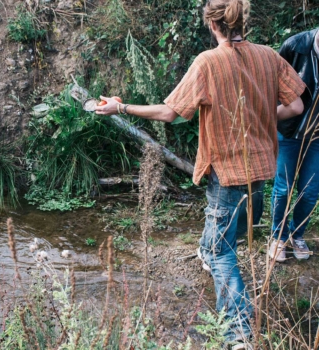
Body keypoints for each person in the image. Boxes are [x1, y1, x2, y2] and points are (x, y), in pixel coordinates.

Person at [95, 0, 305, 348]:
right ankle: (207, 255)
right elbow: (296, 105)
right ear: (243, 22)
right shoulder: (269, 55)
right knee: (227, 236)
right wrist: (265, 114)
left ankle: (238, 336)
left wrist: (121, 107)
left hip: (226, 171)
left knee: (224, 253)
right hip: (260, 168)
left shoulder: (208, 62)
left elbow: (171, 113)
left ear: (212, 25)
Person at [269, 28, 319, 262]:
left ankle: (296, 235)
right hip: (288, 132)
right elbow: (272, 86)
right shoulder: (296, 46)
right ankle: (277, 237)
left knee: (310, 192)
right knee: (283, 188)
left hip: (317, 138)